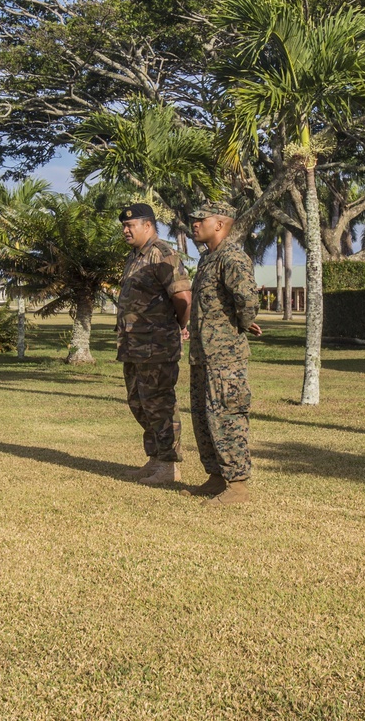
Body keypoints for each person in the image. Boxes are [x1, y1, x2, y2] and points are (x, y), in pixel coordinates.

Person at [184, 202, 261, 506]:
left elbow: (247, 299)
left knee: (227, 417)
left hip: (225, 357)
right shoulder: (207, 260)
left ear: (219, 224)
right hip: (203, 355)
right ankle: (216, 477)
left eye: (200, 219)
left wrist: (238, 327)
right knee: (204, 418)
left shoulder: (232, 257)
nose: (194, 224)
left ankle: (237, 485)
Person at [116, 203, 191, 485]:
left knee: (160, 404)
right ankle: (155, 458)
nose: (125, 230)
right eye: (124, 226)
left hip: (157, 346)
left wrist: (180, 326)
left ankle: (170, 466)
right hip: (133, 345)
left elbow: (183, 298)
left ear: (147, 225)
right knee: (139, 403)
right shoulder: (135, 256)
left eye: (130, 226)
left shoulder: (163, 254)